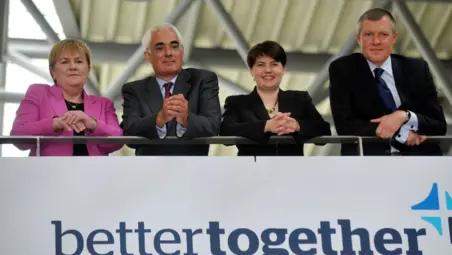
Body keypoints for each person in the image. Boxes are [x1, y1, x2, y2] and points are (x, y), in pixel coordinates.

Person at [329, 8, 446, 156]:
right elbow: (345, 125)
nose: (376, 41)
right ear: (358, 39)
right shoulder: (343, 69)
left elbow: (438, 125)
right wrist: (400, 133)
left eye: (383, 34)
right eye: (368, 35)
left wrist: (404, 116)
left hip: (420, 164)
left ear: (394, 38)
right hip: (367, 165)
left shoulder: (417, 69)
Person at [121, 24, 221, 156]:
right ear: (148, 55)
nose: (168, 53)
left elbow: (213, 126)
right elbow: (129, 133)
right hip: (149, 171)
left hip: (193, 170)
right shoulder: (134, 89)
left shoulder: (203, 80)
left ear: (182, 51)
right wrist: (159, 119)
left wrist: (186, 118)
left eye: (174, 46)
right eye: (160, 48)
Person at [10, 39, 123, 156]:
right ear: (52, 71)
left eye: (79, 61)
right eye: (64, 62)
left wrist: (92, 124)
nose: (73, 67)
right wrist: (54, 124)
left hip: (94, 173)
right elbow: (19, 136)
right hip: (48, 172)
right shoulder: (38, 93)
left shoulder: (104, 104)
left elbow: (118, 141)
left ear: (88, 70)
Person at [220, 41, 331, 156]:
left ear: (283, 69)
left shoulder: (299, 99)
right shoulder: (238, 103)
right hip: (252, 170)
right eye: (260, 65)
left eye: (274, 64)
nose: (268, 70)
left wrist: (297, 125)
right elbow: (225, 131)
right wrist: (266, 126)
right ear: (251, 71)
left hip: (292, 170)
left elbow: (324, 131)